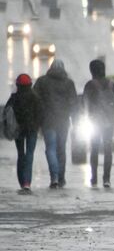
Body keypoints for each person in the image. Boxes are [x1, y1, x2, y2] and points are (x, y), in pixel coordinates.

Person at [34, 59, 78, 188]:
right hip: (63, 121)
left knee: (51, 149)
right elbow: (74, 103)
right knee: (61, 149)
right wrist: (74, 118)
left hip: (48, 121)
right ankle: (61, 177)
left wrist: (38, 117)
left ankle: (54, 177)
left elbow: (35, 99)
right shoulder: (69, 83)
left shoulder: (42, 81)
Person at [82, 59, 114, 188]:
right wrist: (113, 116)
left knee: (94, 149)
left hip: (95, 122)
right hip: (109, 122)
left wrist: (88, 116)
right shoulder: (111, 84)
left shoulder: (90, 85)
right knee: (108, 149)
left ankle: (94, 178)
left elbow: (83, 103)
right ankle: (107, 179)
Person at [5, 74, 42, 193]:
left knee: (21, 154)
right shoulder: (35, 97)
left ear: (18, 85)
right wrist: (37, 126)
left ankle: (22, 182)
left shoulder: (14, 98)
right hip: (32, 130)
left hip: (18, 130)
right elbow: (41, 114)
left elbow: (6, 113)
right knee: (29, 155)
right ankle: (27, 183)